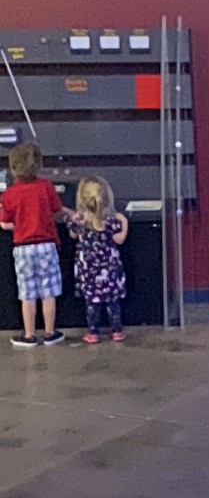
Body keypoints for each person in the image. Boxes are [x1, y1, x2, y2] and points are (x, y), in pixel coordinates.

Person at [0, 143, 71, 347]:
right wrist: (70, 212)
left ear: (13, 167)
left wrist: (21, 224)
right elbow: (57, 208)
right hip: (47, 245)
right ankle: (50, 333)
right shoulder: (46, 186)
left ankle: (29, 335)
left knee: (27, 293)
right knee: (49, 291)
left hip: (22, 247)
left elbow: (5, 223)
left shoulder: (9, 194)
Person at [68, 176, 128, 344]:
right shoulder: (110, 222)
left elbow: (72, 234)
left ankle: (92, 333)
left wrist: (74, 218)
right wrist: (124, 222)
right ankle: (117, 331)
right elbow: (120, 239)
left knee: (92, 303)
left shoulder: (81, 222)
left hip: (88, 272)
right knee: (113, 302)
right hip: (110, 270)